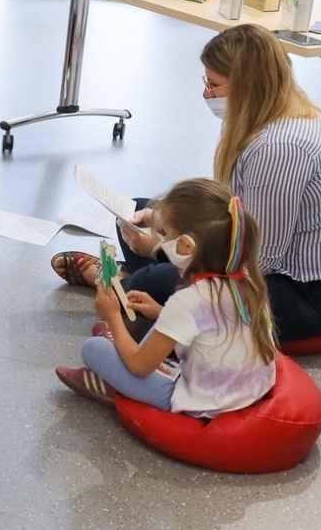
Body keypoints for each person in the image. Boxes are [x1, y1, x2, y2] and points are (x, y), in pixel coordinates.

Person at [51, 25, 321, 344]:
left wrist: (163, 248)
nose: (206, 94)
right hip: (270, 265)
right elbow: (229, 212)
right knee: (140, 212)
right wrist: (163, 222)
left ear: (248, 86)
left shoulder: (280, 147)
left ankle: (123, 284)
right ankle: (130, 281)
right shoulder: (260, 119)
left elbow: (258, 260)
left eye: (214, 85)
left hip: (308, 294)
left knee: (155, 281)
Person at [56, 178, 279, 418]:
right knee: (159, 325)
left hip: (203, 402)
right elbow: (213, 323)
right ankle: (120, 345)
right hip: (253, 388)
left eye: (164, 234)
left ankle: (114, 385)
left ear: (185, 246)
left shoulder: (189, 300)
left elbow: (139, 366)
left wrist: (113, 317)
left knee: (94, 349)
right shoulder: (248, 281)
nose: (160, 240)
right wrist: (159, 312)